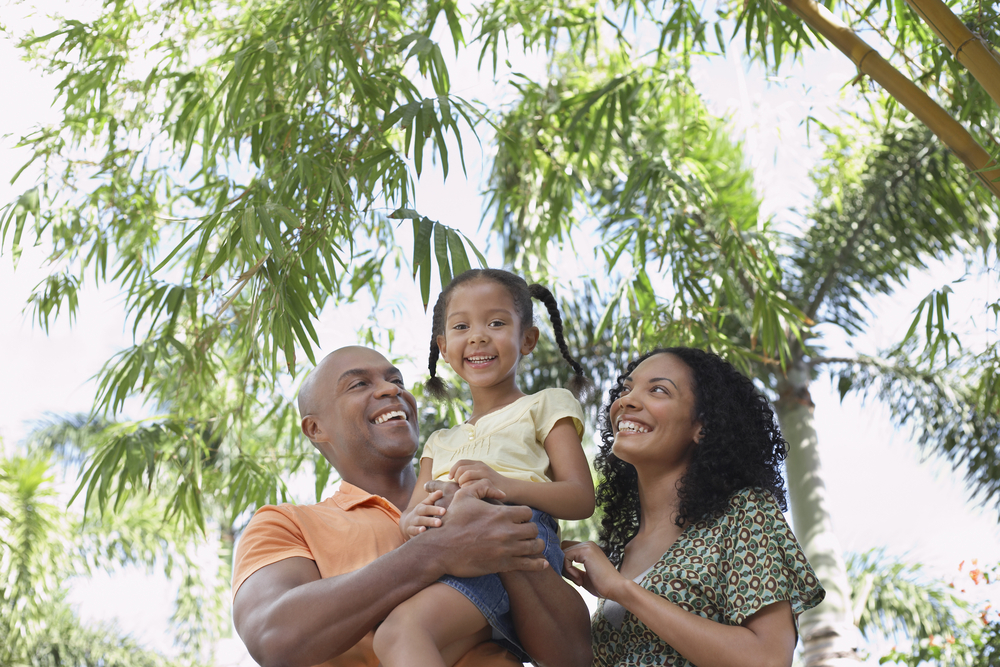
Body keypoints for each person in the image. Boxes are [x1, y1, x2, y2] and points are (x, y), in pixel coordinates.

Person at [231, 345, 592, 667]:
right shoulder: (286, 524)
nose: (392, 390)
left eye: (396, 380)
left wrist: (495, 530)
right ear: (315, 428)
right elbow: (274, 639)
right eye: (359, 384)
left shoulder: (491, 490)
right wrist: (436, 550)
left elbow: (572, 656)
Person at [373, 269, 597, 667]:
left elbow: (580, 498)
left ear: (527, 338)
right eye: (461, 326)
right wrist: (410, 523)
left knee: (400, 632)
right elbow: (411, 517)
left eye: (496, 322)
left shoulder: (545, 404)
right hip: (447, 554)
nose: (477, 336)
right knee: (422, 646)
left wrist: (501, 484)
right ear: (443, 347)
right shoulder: (439, 441)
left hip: (516, 535)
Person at [562, 347, 826, 667]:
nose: (626, 400)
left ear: (701, 426)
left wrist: (622, 590)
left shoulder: (744, 514)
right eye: (626, 388)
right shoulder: (625, 553)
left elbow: (768, 659)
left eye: (658, 390)